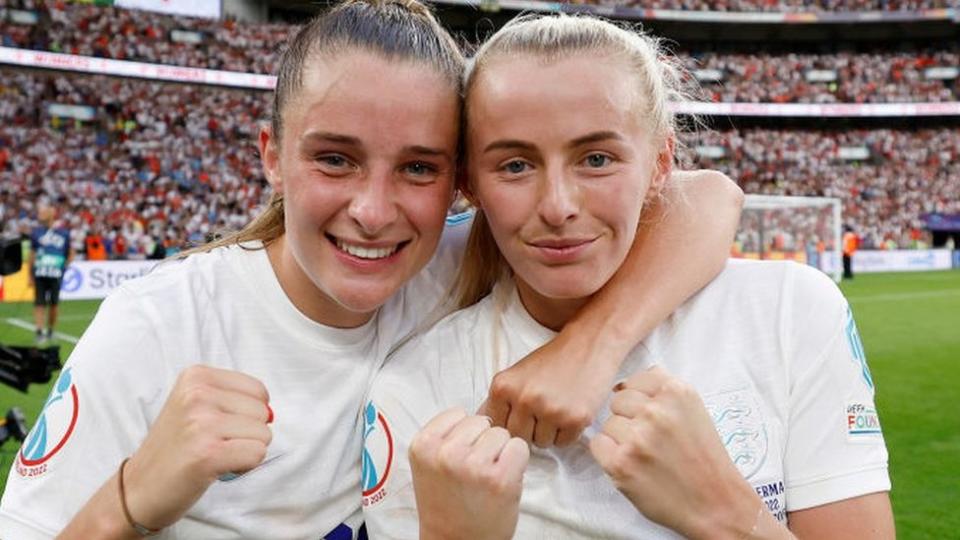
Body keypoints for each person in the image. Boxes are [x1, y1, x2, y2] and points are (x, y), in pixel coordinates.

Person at [0, 2, 743, 539]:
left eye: (417, 168)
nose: (375, 211)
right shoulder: (161, 325)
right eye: (335, 159)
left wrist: (592, 347)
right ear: (272, 157)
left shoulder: (453, 265)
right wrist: (130, 501)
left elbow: (709, 198)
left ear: (459, 184)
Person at [364, 15, 894, 540]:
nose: (558, 206)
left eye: (596, 159)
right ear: (470, 184)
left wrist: (725, 514)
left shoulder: (788, 312)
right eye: (516, 166)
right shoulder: (415, 387)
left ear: (661, 161)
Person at [28, 205, 72, 344]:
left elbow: (70, 253)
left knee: (54, 304)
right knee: (39, 304)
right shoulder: (36, 233)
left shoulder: (64, 233)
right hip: (40, 273)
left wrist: (63, 266)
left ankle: (51, 330)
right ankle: (39, 331)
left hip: (56, 275)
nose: (40, 214)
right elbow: (32, 254)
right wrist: (30, 275)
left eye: (43, 212)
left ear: (51, 214)